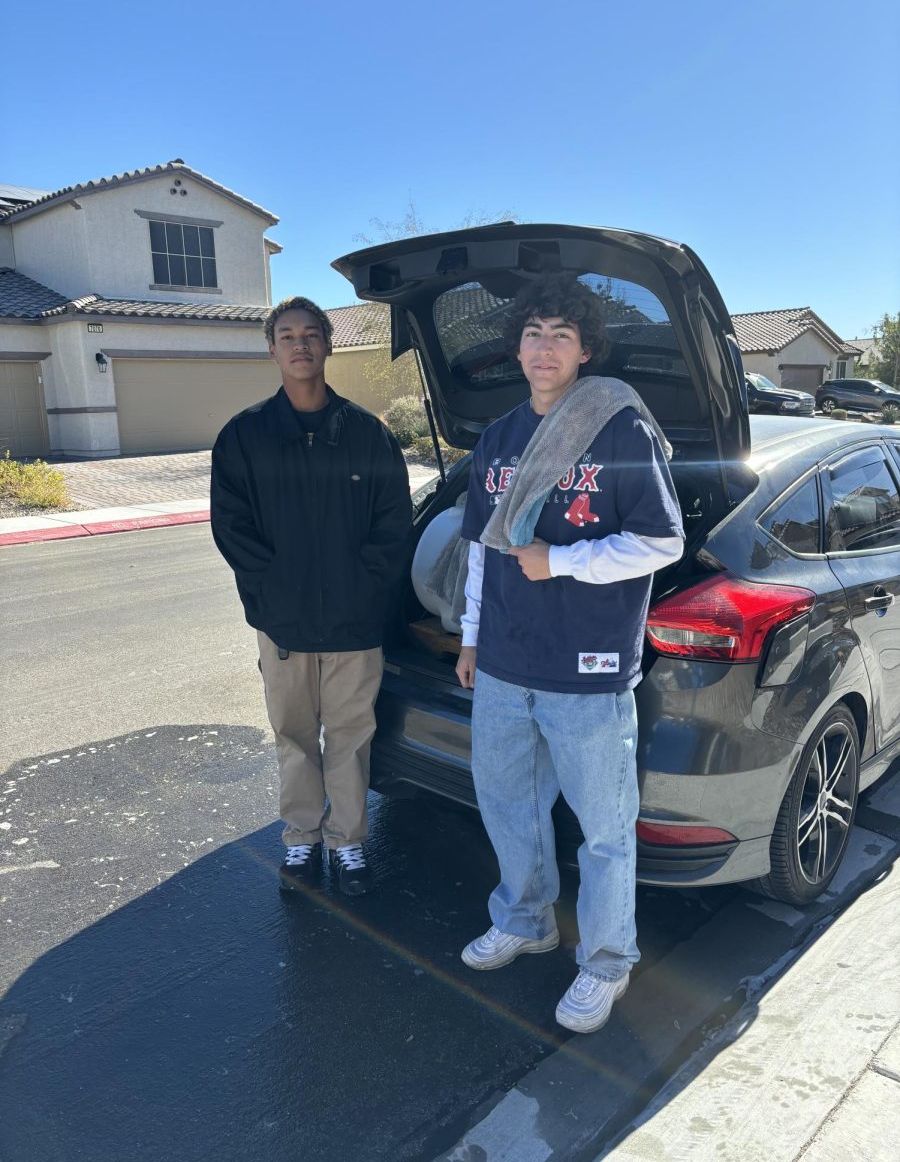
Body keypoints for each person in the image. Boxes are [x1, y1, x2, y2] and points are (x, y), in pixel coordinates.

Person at [455, 275, 684, 1032]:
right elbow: (483, 553)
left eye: (560, 334)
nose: (543, 346)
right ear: (516, 347)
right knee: (508, 807)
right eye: (532, 333)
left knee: (605, 828)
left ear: (586, 350)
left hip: (586, 668)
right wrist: (470, 636)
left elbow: (662, 541)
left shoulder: (619, 428)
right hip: (504, 665)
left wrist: (564, 561)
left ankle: (607, 961)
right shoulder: (497, 438)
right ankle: (526, 921)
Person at [210, 296, 411, 895]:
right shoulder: (245, 437)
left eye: (311, 334)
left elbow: (393, 525)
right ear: (271, 348)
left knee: (350, 739)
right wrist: (273, 596)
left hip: (354, 626)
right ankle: (300, 842)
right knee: (294, 738)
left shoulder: (368, 435)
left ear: (328, 344)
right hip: (284, 625)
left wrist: (363, 591)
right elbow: (232, 528)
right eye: (287, 335)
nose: (300, 344)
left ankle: (347, 844)